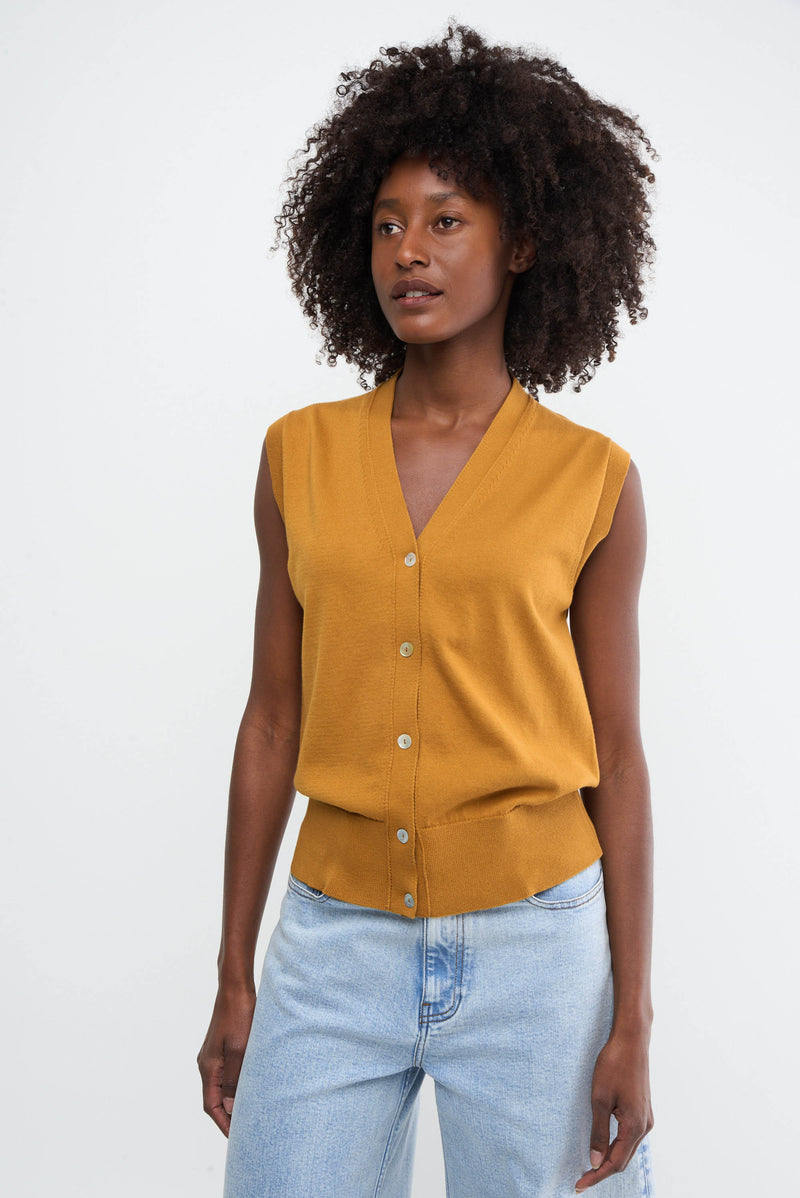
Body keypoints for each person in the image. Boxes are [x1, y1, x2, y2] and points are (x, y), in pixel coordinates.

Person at [198, 23, 658, 1198]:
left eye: (446, 220)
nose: (408, 249)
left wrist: (631, 1018)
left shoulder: (592, 481)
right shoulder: (296, 458)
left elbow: (614, 753)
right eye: (386, 223)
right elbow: (269, 721)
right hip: (332, 944)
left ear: (524, 242)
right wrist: (235, 974)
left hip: (536, 948)